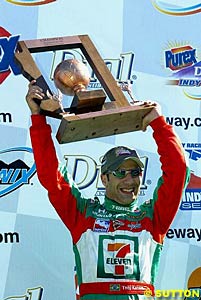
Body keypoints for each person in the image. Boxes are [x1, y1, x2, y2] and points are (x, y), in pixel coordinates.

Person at [26, 81, 190, 300]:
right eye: (120, 172)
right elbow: (51, 175)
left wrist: (158, 123)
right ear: (104, 178)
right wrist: (38, 118)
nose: (130, 180)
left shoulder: (153, 217)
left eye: (135, 173)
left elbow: (179, 170)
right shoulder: (83, 214)